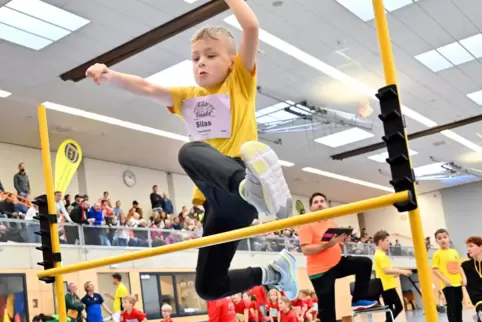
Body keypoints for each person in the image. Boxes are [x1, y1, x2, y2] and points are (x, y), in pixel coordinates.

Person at [85, 0, 297, 301]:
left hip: (243, 176)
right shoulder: (189, 98)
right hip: (216, 201)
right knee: (208, 287)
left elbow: (251, 27)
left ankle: (249, 186)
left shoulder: (239, 81)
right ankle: (274, 273)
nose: (201, 62)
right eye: (196, 57)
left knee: (188, 151)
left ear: (233, 62)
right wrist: (109, 75)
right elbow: (146, 88)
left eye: (211, 56)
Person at [297, 192, 377, 322]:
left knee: (364, 262)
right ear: (311, 208)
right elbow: (305, 250)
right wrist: (327, 245)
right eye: (315, 202)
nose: (319, 204)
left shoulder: (332, 223)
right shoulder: (306, 224)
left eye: (322, 201)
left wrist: (342, 241)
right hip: (320, 272)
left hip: (337, 263)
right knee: (328, 312)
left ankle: (357, 300)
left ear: (327, 205)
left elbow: (337, 244)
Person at [373, 230, 409, 322]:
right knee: (399, 306)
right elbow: (386, 271)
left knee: (389, 310)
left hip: (385, 285)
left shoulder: (379, 254)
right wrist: (400, 271)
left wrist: (394, 274)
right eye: (387, 240)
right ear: (381, 241)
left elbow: (384, 272)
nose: (389, 243)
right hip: (387, 286)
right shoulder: (381, 255)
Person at [432, 229, 466, 322]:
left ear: (448, 238)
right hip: (447, 285)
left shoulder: (454, 252)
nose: (443, 240)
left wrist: (464, 278)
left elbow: (459, 266)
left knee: (459, 305)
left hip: (458, 283)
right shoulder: (437, 254)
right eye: (439, 238)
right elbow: (434, 269)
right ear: (436, 241)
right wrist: (445, 280)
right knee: (452, 307)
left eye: (444, 237)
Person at [461, 236, 482, 322]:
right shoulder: (465, 265)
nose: (468, 249)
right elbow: (462, 280)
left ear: (480, 247)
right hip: (479, 300)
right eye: (467, 247)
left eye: (471, 246)